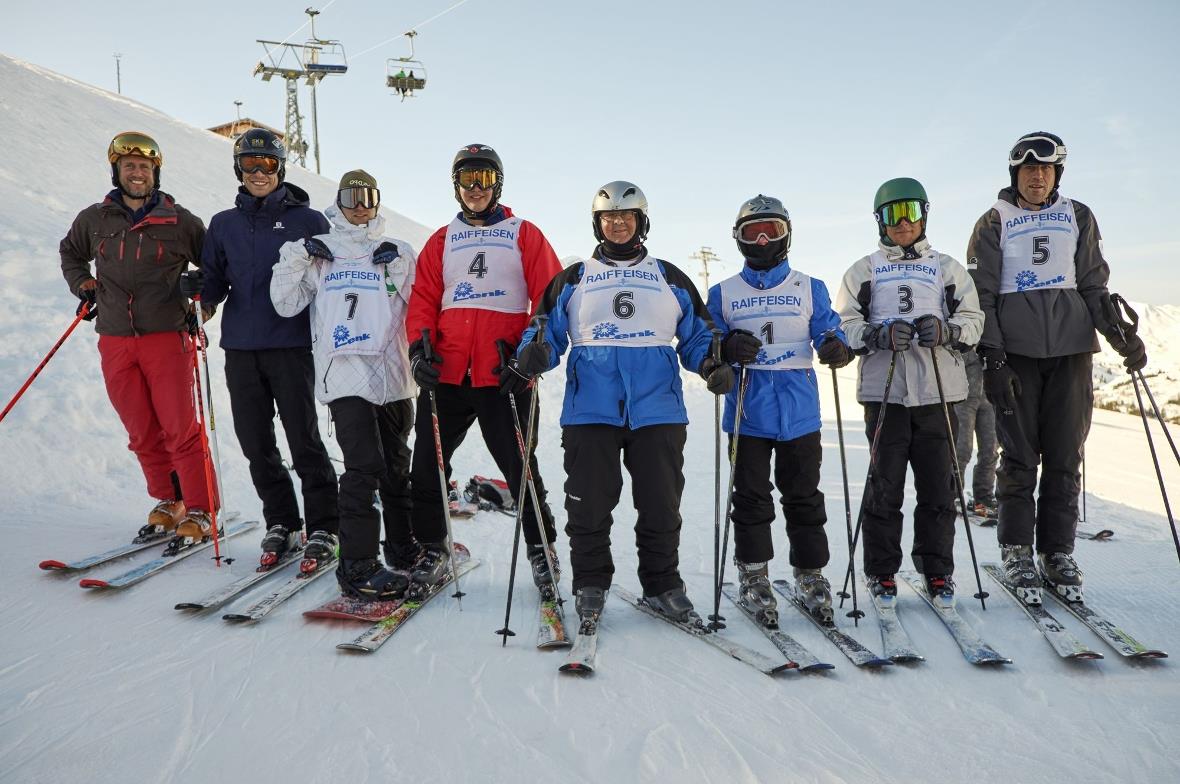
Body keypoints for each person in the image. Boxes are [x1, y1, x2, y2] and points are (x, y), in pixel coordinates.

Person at [513, 180, 734, 626]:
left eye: (626, 217)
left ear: (641, 222)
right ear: (597, 223)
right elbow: (543, 332)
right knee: (589, 504)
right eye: (608, 217)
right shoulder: (574, 278)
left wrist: (711, 363)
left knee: (660, 504)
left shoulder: (668, 276)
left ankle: (663, 585)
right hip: (590, 409)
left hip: (658, 410)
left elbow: (697, 335)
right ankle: (590, 584)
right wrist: (533, 354)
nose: (617, 224)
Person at [967, 131, 1147, 604]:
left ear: (1056, 174)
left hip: (1070, 352)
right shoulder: (993, 222)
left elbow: (1092, 283)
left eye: (1045, 169)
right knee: (1021, 458)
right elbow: (981, 294)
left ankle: (1057, 552)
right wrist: (993, 357)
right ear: (1016, 174)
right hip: (1018, 356)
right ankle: (1016, 551)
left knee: (1065, 457)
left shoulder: (1078, 216)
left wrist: (1118, 334)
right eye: (1028, 169)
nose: (1037, 176)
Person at [404, 143, 561, 592]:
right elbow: (422, 303)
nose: (476, 188)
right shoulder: (441, 240)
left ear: (498, 185)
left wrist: (528, 356)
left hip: (504, 376)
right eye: (468, 179)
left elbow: (548, 301)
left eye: (485, 179)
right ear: (456, 185)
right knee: (428, 467)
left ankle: (541, 551)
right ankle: (432, 549)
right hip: (447, 375)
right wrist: (420, 351)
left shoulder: (522, 233)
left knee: (520, 469)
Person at [59, 131, 219, 543]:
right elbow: (71, 253)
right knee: (141, 428)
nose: (137, 173)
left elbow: (215, 270)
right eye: (129, 166)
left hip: (167, 336)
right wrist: (84, 285)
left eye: (144, 167)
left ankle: (201, 508)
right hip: (114, 337)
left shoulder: (181, 222)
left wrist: (201, 303)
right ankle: (169, 499)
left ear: (155, 173)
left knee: (179, 427)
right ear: (116, 170)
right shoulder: (95, 219)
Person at [193, 128, 340, 569]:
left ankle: (323, 526)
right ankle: (282, 521)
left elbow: (330, 279)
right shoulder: (223, 224)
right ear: (239, 169)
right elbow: (214, 279)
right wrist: (201, 299)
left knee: (304, 440)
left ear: (280, 168)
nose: (259, 173)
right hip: (240, 347)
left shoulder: (309, 220)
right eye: (250, 165)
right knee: (255, 442)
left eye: (268, 164)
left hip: (291, 346)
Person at [705, 195, 853, 624]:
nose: (764, 238)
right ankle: (753, 572)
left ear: (788, 235)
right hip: (747, 412)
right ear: (739, 238)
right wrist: (725, 348)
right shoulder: (724, 292)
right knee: (750, 499)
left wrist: (835, 347)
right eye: (753, 231)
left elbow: (830, 326)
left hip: (799, 412)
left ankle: (810, 573)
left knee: (804, 496)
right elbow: (707, 337)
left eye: (773, 229)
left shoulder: (809, 286)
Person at [835, 177, 983, 602]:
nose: (903, 223)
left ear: (924, 215)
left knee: (940, 488)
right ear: (879, 220)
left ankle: (937, 571)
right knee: (886, 486)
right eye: (893, 214)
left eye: (911, 212)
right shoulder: (863, 269)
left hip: (939, 392)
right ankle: (882, 572)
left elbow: (974, 320)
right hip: (886, 395)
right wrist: (876, 335)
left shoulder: (946, 267)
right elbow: (844, 326)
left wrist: (946, 329)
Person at [271, 169, 417, 597]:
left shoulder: (397, 249)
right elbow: (284, 303)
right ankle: (357, 565)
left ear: (377, 201)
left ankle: (403, 548)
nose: (359, 204)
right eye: (351, 196)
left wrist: (401, 267)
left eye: (367, 195)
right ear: (339, 201)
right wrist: (298, 257)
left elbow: (419, 301)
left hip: (393, 374)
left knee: (396, 466)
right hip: (345, 373)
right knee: (363, 467)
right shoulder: (319, 252)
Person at [955, 349, 998, 519]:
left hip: (990, 396)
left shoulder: (996, 327)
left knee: (991, 448)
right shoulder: (968, 323)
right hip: (963, 395)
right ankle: (954, 493)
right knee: (961, 448)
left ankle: (984, 496)